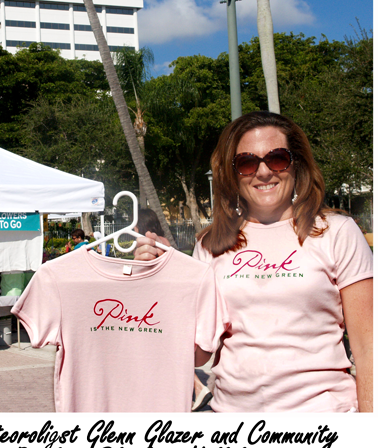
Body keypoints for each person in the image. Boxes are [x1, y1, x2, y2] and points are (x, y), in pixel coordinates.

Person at [136, 111, 373, 412]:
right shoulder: (210, 244)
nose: (263, 172)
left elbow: (368, 349)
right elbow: (196, 355)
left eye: (277, 158)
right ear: (232, 173)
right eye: (247, 162)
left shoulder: (336, 232)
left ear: (295, 163)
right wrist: (165, 277)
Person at [134, 208, 213, 412]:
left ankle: (193, 390)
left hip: (158, 306)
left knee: (166, 354)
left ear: (139, 224)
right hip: (175, 306)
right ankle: (196, 389)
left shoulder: (148, 242)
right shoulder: (163, 240)